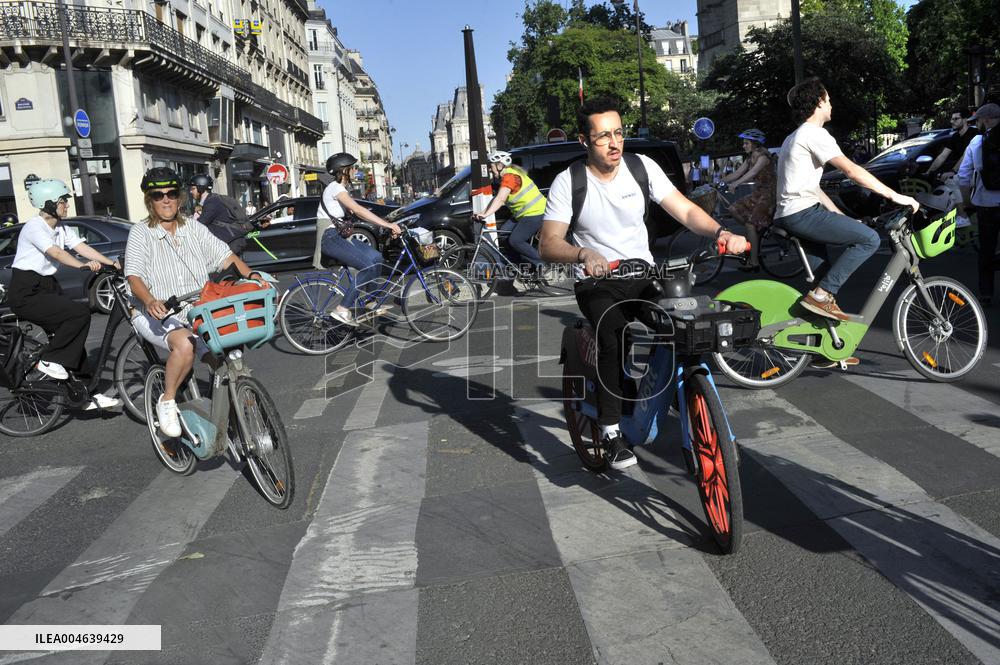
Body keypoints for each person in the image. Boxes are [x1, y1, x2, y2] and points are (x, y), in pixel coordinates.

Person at [539, 97, 748, 470]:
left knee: (683, 324)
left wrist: (721, 232)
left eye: (618, 133)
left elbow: (683, 209)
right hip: (598, 281)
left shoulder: (641, 167)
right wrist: (583, 255)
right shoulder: (568, 181)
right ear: (584, 141)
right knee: (611, 334)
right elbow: (549, 243)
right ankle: (610, 428)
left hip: (643, 273)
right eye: (603, 136)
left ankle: (670, 395)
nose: (614, 143)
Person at [125, 167, 263, 438]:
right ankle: (168, 399)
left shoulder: (193, 228)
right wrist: (150, 300)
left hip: (196, 308)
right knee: (185, 344)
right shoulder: (141, 233)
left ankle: (234, 397)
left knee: (224, 351)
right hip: (154, 313)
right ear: (149, 200)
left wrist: (253, 276)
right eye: (158, 195)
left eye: (171, 194)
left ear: (180, 198)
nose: (166, 200)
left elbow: (225, 256)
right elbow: (134, 275)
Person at [774, 77, 919, 322]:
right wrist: (895, 195)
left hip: (790, 215)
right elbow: (852, 171)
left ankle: (827, 350)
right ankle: (821, 295)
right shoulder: (815, 134)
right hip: (802, 214)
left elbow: (814, 189)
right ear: (819, 102)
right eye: (828, 100)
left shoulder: (793, 137)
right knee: (869, 240)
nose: (831, 105)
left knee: (823, 281)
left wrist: (842, 218)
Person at [7, 179, 121, 410]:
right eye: (63, 201)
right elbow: (57, 253)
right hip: (27, 290)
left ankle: (87, 394)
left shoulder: (61, 228)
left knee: (73, 342)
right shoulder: (34, 227)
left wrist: (112, 264)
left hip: (48, 286)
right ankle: (49, 360)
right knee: (79, 314)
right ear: (48, 203)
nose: (67, 205)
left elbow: (80, 247)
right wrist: (82, 266)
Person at [316, 153, 402, 326]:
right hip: (330, 237)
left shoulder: (341, 189)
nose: (356, 170)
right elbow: (359, 210)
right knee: (367, 266)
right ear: (344, 170)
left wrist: (386, 223)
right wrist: (387, 225)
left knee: (376, 258)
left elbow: (359, 211)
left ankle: (371, 302)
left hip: (339, 236)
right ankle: (342, 309)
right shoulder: (335, 188)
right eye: (353, 167)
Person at [471, 151, 546, 272]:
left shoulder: (510, 177)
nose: (490, 170)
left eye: (491, 166)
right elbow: (496, 198)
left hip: (536, 212)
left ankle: (542, 264)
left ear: (500, 165)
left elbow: (500, 200)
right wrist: (482, 212)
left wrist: (486, 215)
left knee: (516, 240)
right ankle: (521, 266)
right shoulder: (508, 175)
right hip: (523, 213)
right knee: (504, 234)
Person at [957, 102, 1000, 306]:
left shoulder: (976, 142)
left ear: (986, 120)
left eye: (980, 121)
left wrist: (967, 203)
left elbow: (963, 177)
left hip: (986, 206)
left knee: (986, 250)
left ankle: (986, 294)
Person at [721, 129, 776, 269]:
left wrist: (736, 184)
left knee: (750, 224)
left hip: (768, 195)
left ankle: (754, 262)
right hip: (758, 193)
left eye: (746, 143)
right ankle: (754, 235)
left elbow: (753, 172)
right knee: (733, 209)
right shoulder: (750, 157)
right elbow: (737, 173)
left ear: (754, 144)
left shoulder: (763, 156)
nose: (743, 146)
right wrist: (720, 181)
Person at [187, 174, 247, 254]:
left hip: (232, 244)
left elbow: (199, 224)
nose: (191, 191)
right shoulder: (213, 199)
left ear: (201, 188)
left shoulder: (212, 203)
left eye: (193, 188)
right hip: (231, 242)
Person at [926, 108, 978, 180]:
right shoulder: (955, 136)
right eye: (952, 119)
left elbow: (965, 156)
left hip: (974, 174)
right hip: (962, 174)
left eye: (956, 119)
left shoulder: (974, 133)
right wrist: (928, 173)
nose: (952, 121)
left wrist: (953, 171)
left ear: (965, 120)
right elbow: (942, 156)